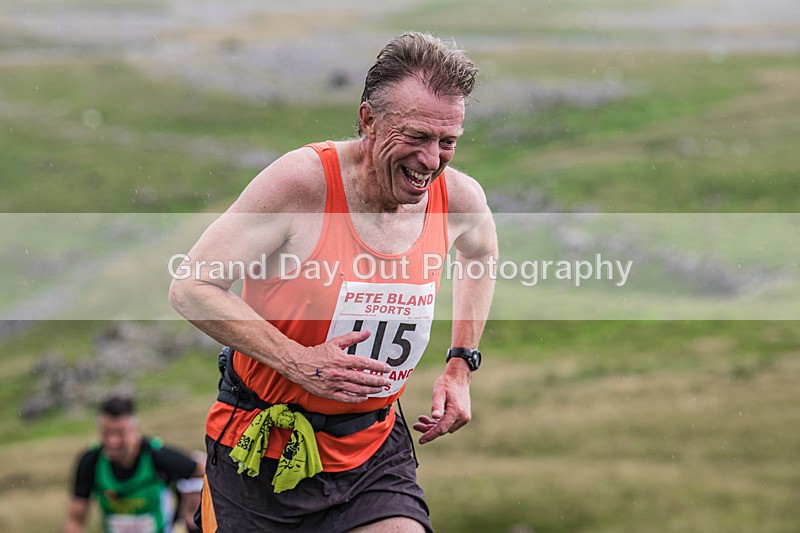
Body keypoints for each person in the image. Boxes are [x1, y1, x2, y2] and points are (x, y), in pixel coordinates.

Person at [169, 31, 497, 532]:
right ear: (368, 119)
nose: (432, 161)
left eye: (446, 141)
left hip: (370, 453)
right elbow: (191, 288)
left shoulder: (457, 198)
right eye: (415, 137)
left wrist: (460, 364)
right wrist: (297, 361)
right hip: (260, 448)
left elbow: (481, 254)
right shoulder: (302, 184)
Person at [64, 395, 206, 533]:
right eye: (107, 433)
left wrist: (191, 506)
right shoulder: (90, 461)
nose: (113, 441)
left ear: (135, 430)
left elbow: (205, 471)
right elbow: (75, 518)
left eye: (120, 433)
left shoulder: (157, 456)